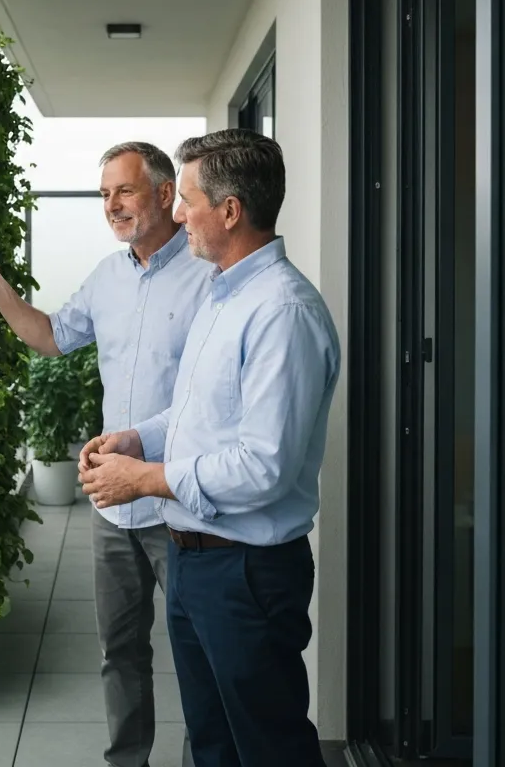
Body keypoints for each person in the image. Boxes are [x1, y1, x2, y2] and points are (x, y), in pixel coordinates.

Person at [79, 128, 341, 767]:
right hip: (195, 558)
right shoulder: (225, 294)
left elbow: (264, 467)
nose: (175, 214)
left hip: (245, 572)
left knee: (268, 747)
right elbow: (198, 414)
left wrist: (143, 478)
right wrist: (139, 437)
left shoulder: (282, 311)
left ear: (229, 210)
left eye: (186, 200)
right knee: (216, 745)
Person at [0, 141, 211, 767]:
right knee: (118, 649)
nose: (112, 206)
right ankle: (128, 760)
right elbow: (50, 337)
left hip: (176, 501)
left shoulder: (210, 274)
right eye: (103, 194)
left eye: (123, 191)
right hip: (111, 507)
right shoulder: (105, 277)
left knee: (201, 653)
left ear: (162, 192)